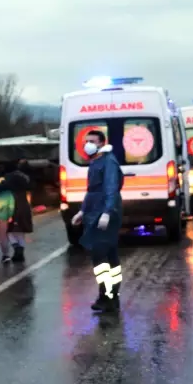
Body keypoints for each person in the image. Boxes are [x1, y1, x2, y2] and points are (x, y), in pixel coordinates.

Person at [71, 130, 124, 312]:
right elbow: (92, 190)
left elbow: (111, 188)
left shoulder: (108, 162)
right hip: (95, 212)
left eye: (92, 141)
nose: (88, 144)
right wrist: (82, 211)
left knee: (102, 257)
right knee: (107, 256)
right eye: (87, 141)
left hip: (104, 213)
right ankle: (110, 296)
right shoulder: (96, 161)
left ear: (102, 142)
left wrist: (107, 212)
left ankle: (107, 296)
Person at [0, 159, 34, 262]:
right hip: (23, 205)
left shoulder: (6, 178)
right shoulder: (24, 177)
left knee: (8, 229)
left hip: (11, 205)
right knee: (21, 230)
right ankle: (20, 251)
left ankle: (16, 247)